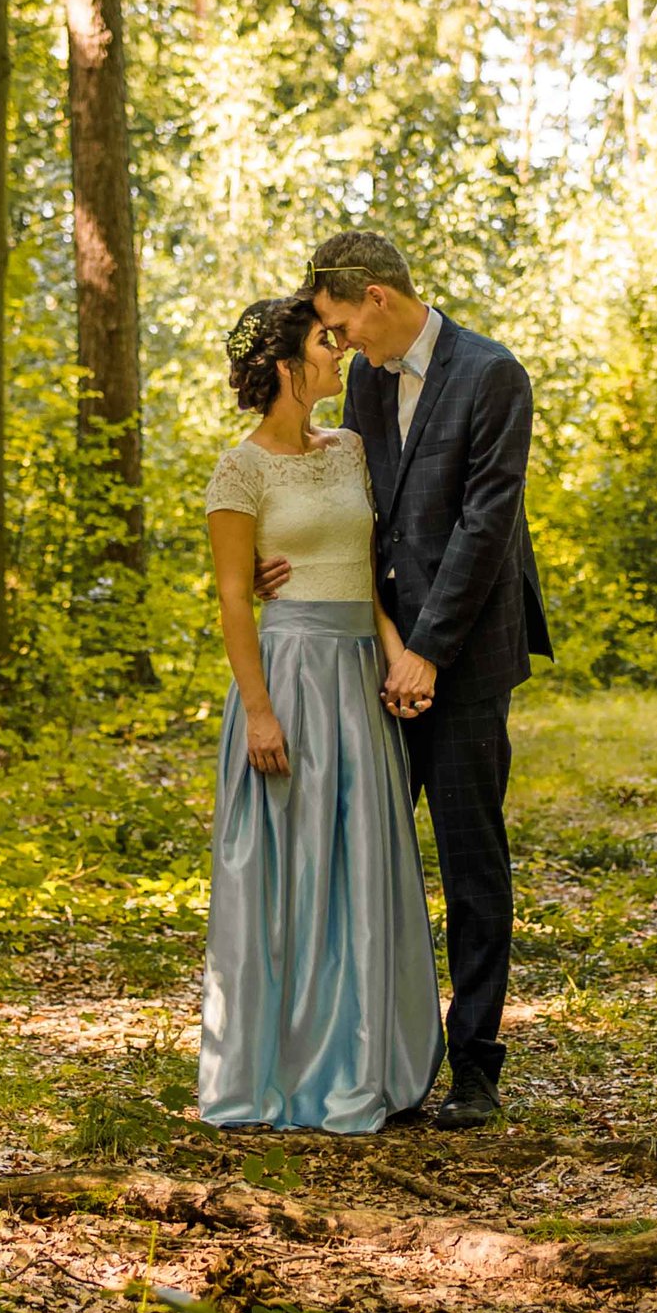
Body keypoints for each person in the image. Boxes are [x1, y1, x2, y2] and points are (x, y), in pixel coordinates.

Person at [260, 231, 553, 1130]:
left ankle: (475, 1066)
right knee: (370, 863)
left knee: (471, 862)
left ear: (379, 298)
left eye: (343, 323)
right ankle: (371, 1058)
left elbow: (485, 524)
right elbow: (361, 514)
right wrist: (291, 564)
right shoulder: (368, 384)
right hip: (374, 659)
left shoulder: (493, 374)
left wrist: (427, 649)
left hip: (463, 658)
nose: (339, 342)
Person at [197, 296, 443, 1133]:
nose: (338, 352)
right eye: (322, 342)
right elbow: (235, 602)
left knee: (359, 864)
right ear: (283, 366)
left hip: (357, 676)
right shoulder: (240, 470)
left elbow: (366, 569)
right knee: (290, 871)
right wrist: (259, 712)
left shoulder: (351, 451)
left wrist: (397, 647)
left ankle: (363, 1059)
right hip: (290, 678)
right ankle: (281, 1068)